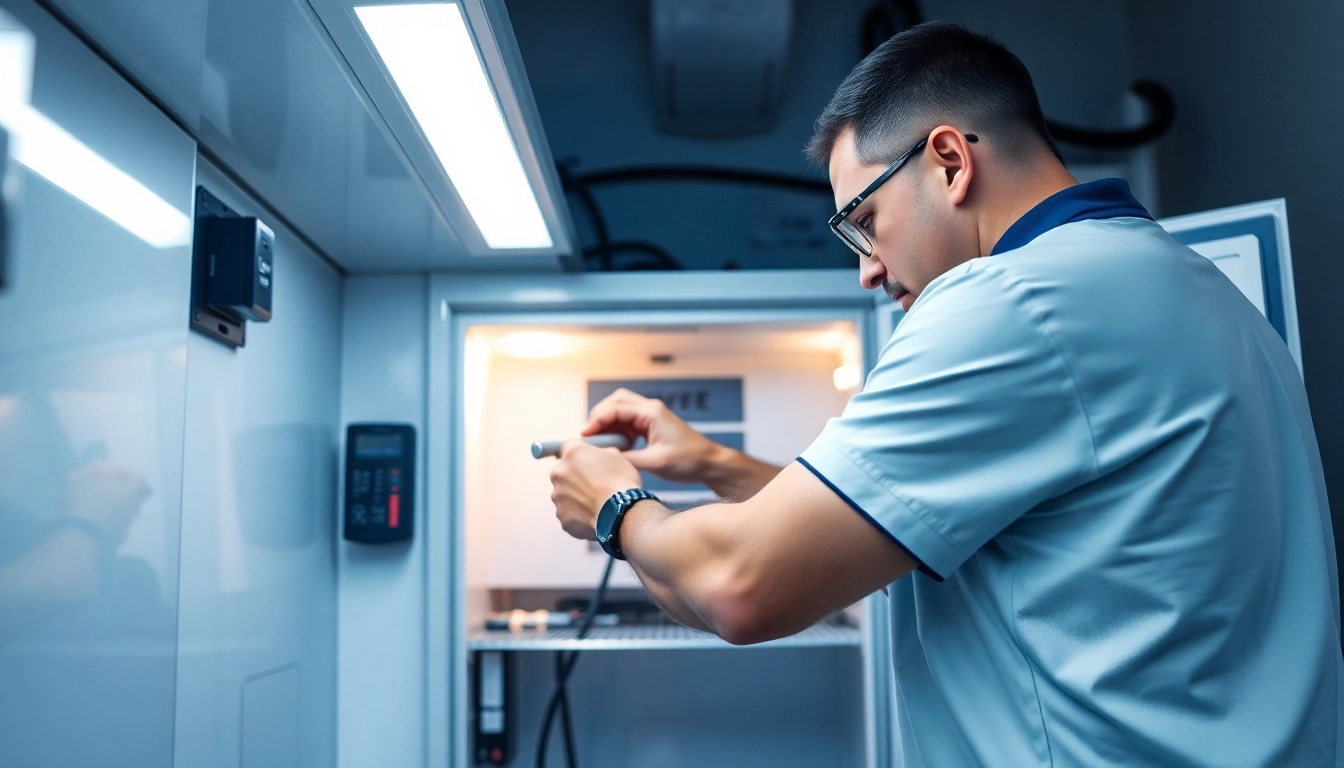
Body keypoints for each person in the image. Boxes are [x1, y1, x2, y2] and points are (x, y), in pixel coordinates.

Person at [546, 21, 1344, 767]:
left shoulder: (1012, 300)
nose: (865, 268)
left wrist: (616, 508)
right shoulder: (1205, 294)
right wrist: (719, 464)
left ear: (951, 162)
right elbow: (910, 523)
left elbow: (742, 587)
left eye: (864, 220)